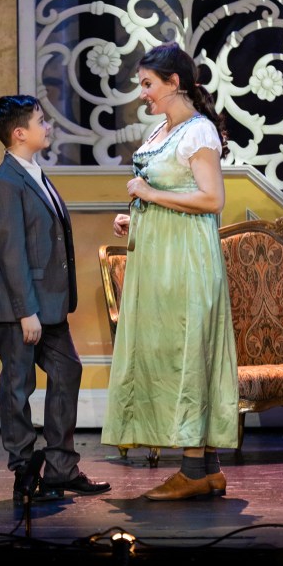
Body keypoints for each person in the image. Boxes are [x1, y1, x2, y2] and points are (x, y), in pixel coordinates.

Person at [101, 42, 239, 501]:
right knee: (170, 352)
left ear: (174, 83)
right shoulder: (163, 130)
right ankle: (208, 469)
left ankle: (193, 468)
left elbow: (212, 200)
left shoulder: (198, 132)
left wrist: (150, 196)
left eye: (148, 84)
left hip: (186, 261)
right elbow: (168, 191)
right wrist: (137, 216)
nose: (142, 93)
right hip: (159, 256)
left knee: (187, 352)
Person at [0, 95, 110, 503]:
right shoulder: (6, 184)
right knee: (17, 386)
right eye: (41, 120)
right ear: (20, 133)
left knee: (67, 369)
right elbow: (11, 253)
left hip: (48, 305)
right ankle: (23, 471)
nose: (48, 125)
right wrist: (26, 313)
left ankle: (59, 468)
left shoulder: (34, 173)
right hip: (21, 308)